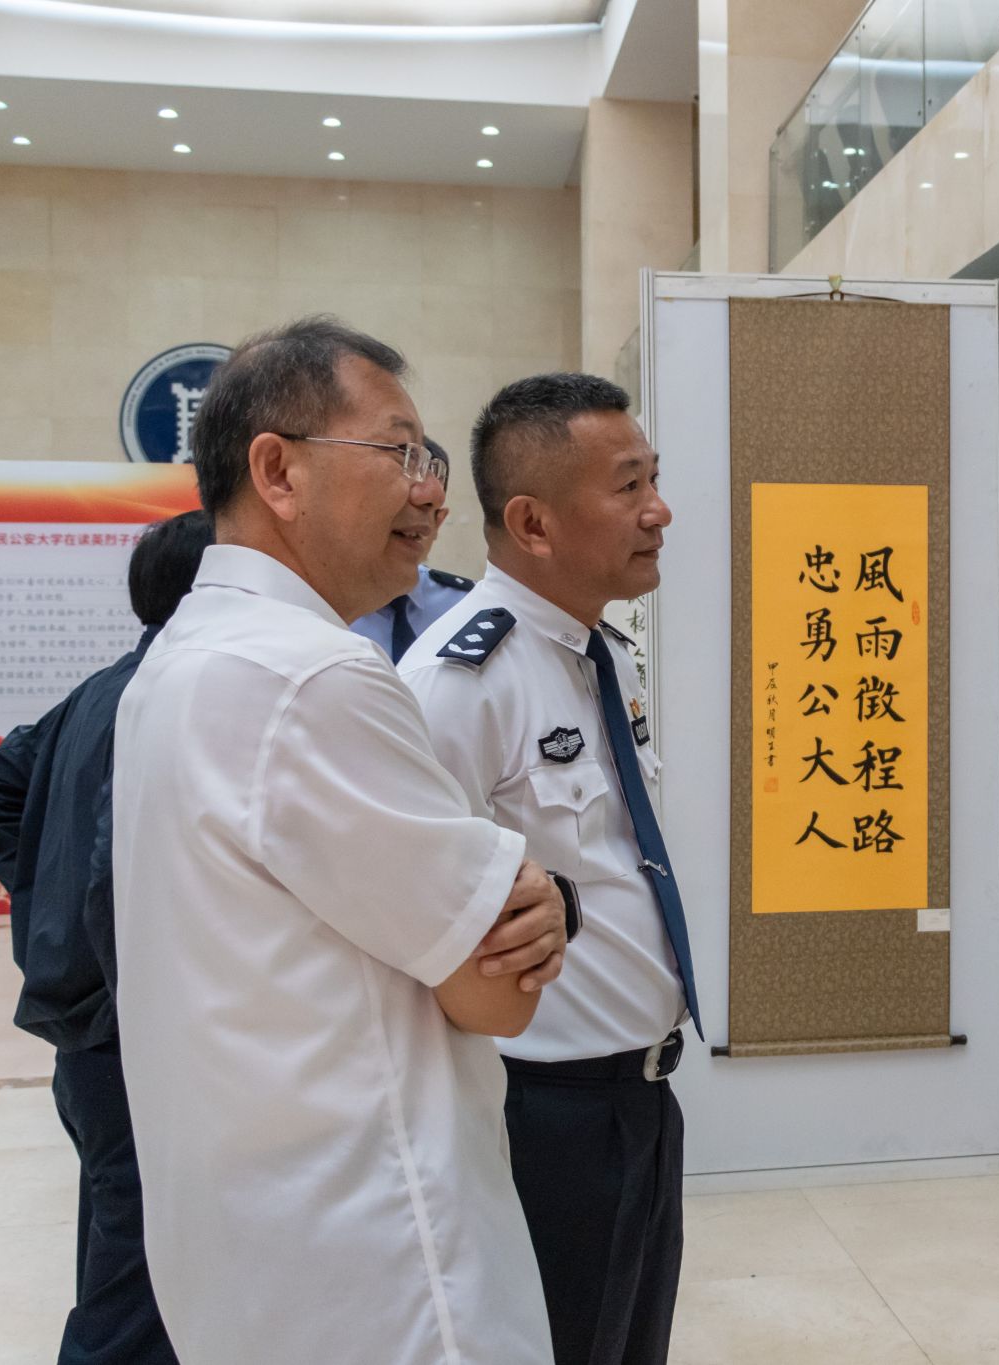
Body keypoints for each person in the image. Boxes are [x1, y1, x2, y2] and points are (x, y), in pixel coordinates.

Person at [110, 316, 567, 1365]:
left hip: (256, 1246)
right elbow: (498, 988)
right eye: (399, 452)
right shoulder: (313, 677)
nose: (430, 494)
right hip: (380, 1257)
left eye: (429, 459)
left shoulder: (181, 662)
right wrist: (528, 884)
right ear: (277, 470)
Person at [399, 372, 696, 1365]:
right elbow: (411, 919)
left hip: (639, 1097)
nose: (658, 511)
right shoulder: (457, 682)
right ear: (532, 522)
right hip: (539, 1114)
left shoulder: (603, 651)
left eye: (653, 478)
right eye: (628, 486)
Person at [0, 508, 212, 1365]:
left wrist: (46, 899)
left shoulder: (106, 686)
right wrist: (73, 911)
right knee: (133, 1302)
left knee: (120, 1253)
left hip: (87, 1035)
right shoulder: (163, 696)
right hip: (124, 1033)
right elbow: (105, 855)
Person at [348, 443, 474, 660]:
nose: (425, 498)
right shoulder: (320, 606)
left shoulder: (467, 606)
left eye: (427, 509)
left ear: (439, 522)